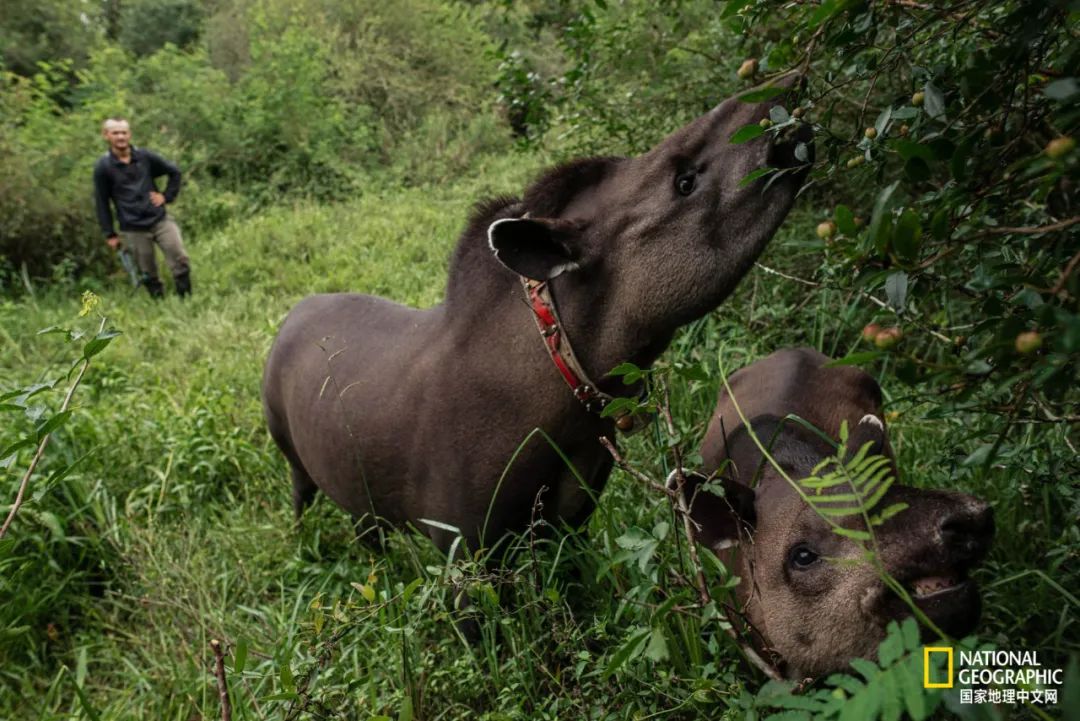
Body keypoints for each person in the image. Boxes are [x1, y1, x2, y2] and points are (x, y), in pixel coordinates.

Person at [93, 117, 191, 298]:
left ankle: (186, 299)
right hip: (132, 227)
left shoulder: (145, 157)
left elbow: (174, 172)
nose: (121, 137)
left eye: (124, 132)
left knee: (179, 257)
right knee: (148, 270)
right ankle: (159, 304)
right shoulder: (103, 167)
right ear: (106, 135)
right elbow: (101, 201)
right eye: (115, 133)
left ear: (129, 134)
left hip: (159, 219)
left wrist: (166, 196)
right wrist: (109, 233)